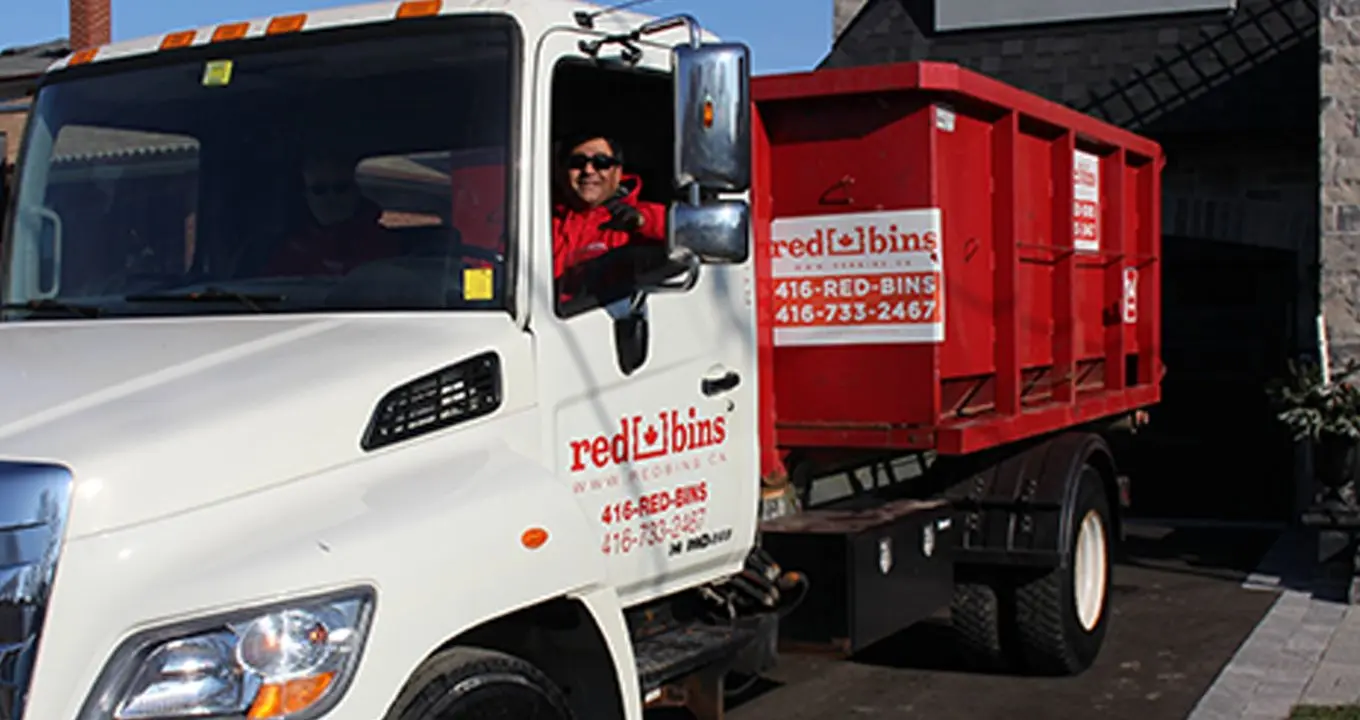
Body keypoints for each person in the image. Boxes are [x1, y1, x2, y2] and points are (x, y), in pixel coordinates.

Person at [551, 135, 667, 305]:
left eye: (601, 162)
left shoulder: (640, 219)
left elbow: (687, 235)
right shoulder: (537, 223)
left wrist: (643, 223)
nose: (589, 170)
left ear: (618, 173)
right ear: (561, 172)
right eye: (577, 162)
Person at [264, 152, 399, 276]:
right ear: (306, 196)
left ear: (356, 192)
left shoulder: (382, 245)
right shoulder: (289, 252)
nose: (331, 198)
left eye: (341, 188)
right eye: (319, 190)